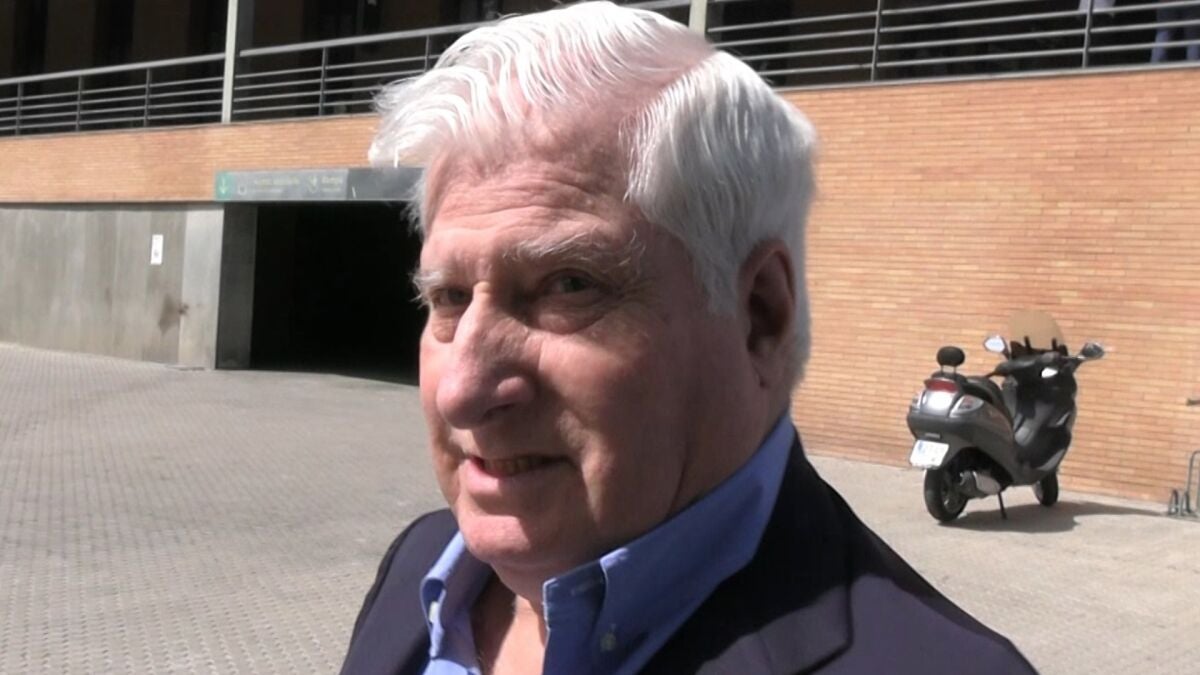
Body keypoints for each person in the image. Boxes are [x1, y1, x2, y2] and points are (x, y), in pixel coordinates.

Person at [342, 3, 1035, 673]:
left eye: (567, 286)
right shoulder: (419, 568)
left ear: (759, 316)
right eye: (448, 297)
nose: (462, 391)